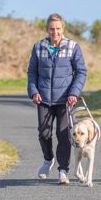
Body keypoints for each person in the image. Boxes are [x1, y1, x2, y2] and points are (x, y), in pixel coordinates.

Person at [28, 13, 87, 185]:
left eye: (58, 29)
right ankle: (48, 159)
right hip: (44, 99)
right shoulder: (38, 47)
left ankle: (63, 171)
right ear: (47, 30)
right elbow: (32, 72)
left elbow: (81, 72)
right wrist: (33, 91)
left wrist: (74, 93)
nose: (55, 32)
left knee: (63, 135)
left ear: (63, 29)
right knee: (44, 133)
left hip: (65, 100)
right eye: (52, 29)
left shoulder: (72, 47)